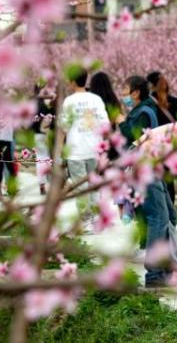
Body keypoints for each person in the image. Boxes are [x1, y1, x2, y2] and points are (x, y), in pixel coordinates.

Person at [120, 75, 177, 287]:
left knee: (168, 215)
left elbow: (129, 138)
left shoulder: (143, 111)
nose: (123, 95)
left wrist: (121, 124)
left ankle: (165, 266)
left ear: (135, 92)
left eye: (125, 90)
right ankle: (155, 273)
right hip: (147, 168)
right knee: (159, 216)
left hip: (149, 167)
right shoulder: (143, 110)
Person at [60, 67, 110, 231]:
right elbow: (105, 124)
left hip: (76, 150)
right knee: (93, 185)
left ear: (73, 81)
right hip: (94, 149)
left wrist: (61, 148)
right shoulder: (96, 99)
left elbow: (64, 126)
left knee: (80, 188)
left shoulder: (69, 101)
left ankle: (86, 221)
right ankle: (95, 219)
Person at [31, 89, 55, 196]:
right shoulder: (47, 105)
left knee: (40, 159)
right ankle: (51, 184)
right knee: (48, 159)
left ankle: (42, 185)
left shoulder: (32, 105)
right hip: (47, 134)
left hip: (36, 135)